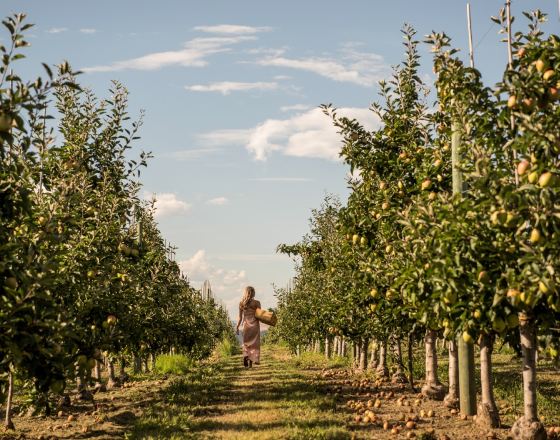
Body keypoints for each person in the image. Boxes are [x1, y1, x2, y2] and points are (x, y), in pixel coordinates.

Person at [236, 286, 260, 368]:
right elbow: (259, 315)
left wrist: (237, 327)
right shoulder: (257, 303)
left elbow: (240, 317)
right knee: (254, 344)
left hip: (245, 325)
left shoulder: (241, 303)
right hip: (255, 325)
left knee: (246, 343)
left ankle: (246, 355)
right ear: (253, 293)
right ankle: (250, 362)